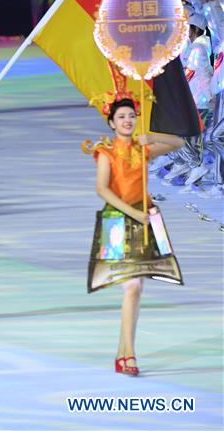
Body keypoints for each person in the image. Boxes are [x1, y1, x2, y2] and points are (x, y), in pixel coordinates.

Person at [88, 97, 185, 375]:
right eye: (121, 117)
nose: (127, 120)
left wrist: (151, 136)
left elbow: (179, 143)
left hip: (145, 218)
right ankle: (128, 354)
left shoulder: (142, 149)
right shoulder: (106, 152)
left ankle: (123, 354)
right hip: (119, 222)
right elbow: (102, 189)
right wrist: (131, 214)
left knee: (136, 289)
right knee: (132, 288)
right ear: (111, 122)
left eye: (131, 115)